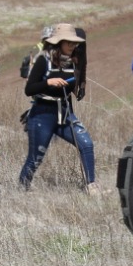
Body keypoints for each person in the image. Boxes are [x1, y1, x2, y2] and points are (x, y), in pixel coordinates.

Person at [18, 23, 97, 191]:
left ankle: (91, 186)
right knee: (35, 158)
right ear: (58, 42)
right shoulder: (43, 60)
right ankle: (22, 189)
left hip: (65, 113)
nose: (73, 46)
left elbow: (74, 84)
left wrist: (78, 88)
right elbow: (29, 89)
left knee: (86, 144)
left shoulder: (74, 61)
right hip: (42, 114)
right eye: (68, 42)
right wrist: (48, 82)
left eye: (74, 43)